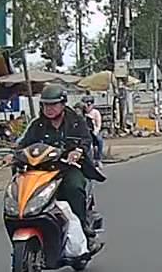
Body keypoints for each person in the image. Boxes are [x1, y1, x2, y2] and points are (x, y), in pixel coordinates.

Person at [15, 84, 104, 248]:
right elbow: (23, 144)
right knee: (22, 186)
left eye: (53, 104)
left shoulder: (76, 122)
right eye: (45, 105)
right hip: (42, 170)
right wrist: (13, 154)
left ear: (63, 104)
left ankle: (83, 228)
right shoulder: (37, 125)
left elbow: (86, 140)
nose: (49, 109)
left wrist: (77, 151)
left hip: (68, 168)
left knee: (74, 187)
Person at [80, 95, 103, 161]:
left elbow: (98, 124)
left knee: (99, 141)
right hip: (84, 133)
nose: (87, 107)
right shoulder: (81, 113)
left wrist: (95, 132)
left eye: (89, 105)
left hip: (93, 131)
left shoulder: (95, 112)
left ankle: (98, 158)